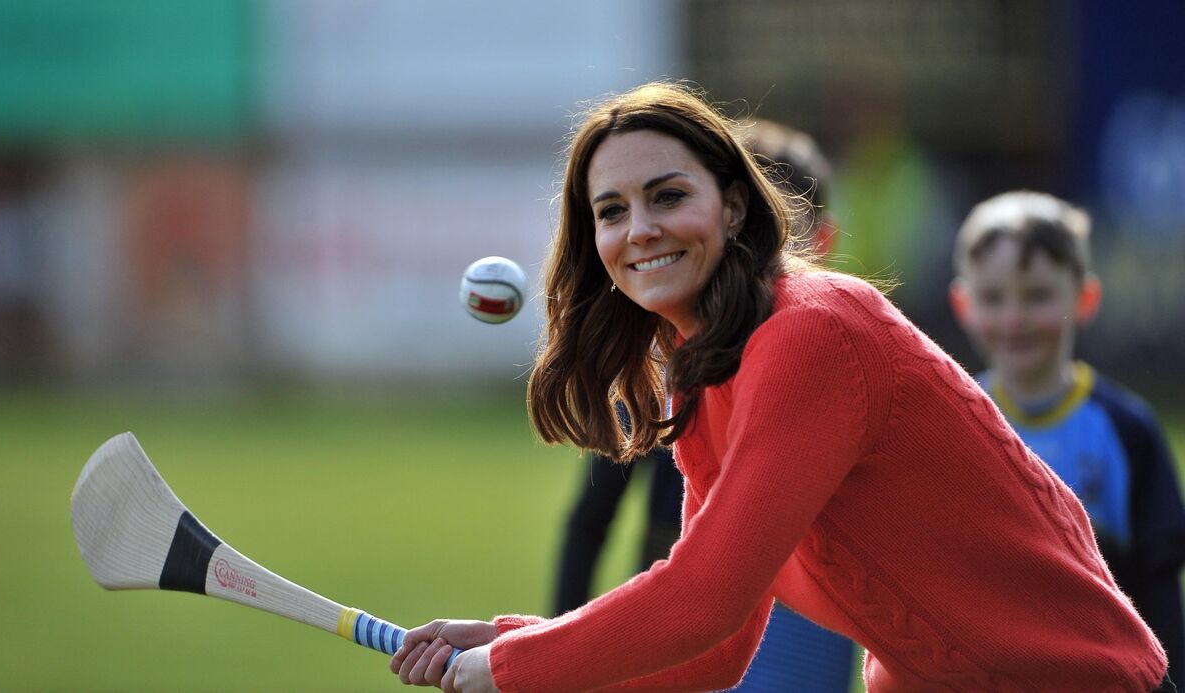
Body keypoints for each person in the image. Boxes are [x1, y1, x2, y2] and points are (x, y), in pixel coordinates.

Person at [390, 82, 1172, 692]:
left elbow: (706, 599)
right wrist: (509, 640)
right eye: (611, 212)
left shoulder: (811, 331)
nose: (640, 229)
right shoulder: (701, 366)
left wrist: (515, 667)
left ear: (732, 207)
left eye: (667, 196)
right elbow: (721, 646)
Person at [551, 117, 854, 692]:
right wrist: (553, 642)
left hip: (798, 635)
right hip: (680, 619)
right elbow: (593, 520)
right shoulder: (657, 372)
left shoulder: (834, 361)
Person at [948, 190, 1185, 685]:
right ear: (963, 304)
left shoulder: (1127, 431)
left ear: (1085, 298)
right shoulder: (951, 425)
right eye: (994, 298)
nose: (1015, 319)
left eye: (1037, 296)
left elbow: (1159, 586)